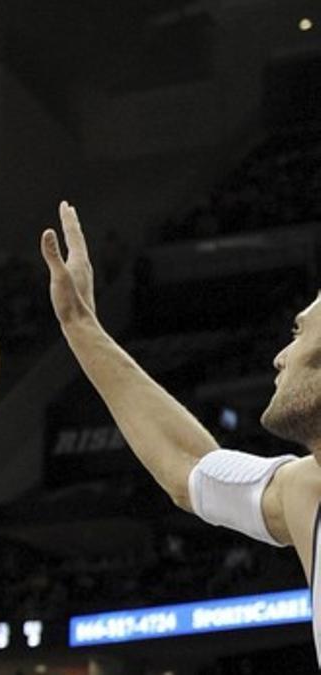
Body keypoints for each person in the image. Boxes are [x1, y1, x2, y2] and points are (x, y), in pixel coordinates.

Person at [41, 201, 321, 665]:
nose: (280, 356)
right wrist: (81, 326)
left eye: (299, 333)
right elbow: (188, 469)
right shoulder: (305, 491)